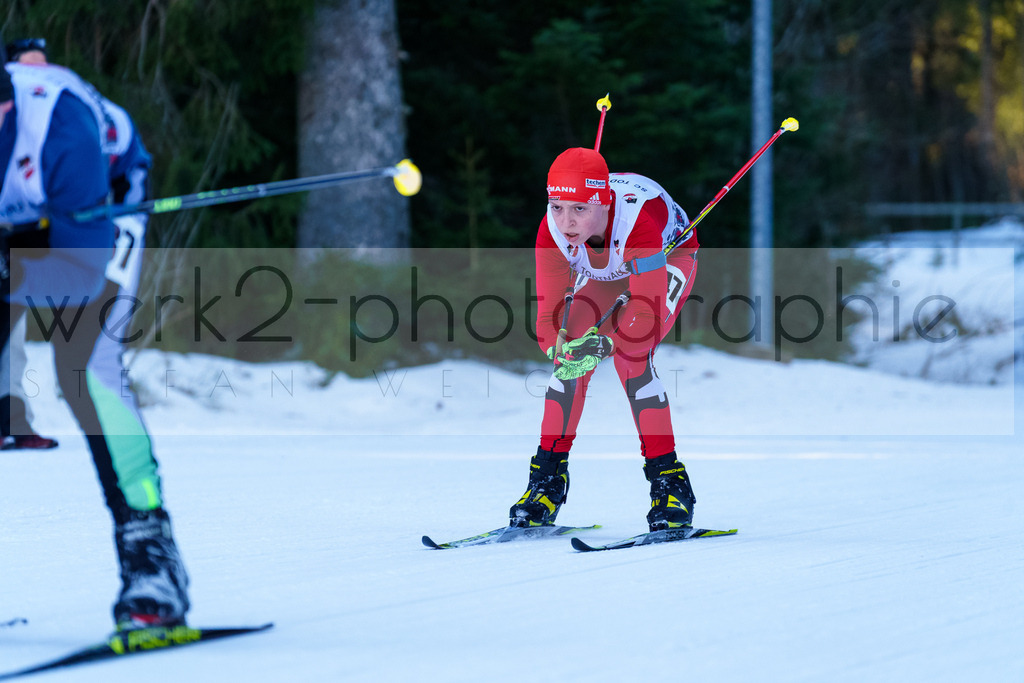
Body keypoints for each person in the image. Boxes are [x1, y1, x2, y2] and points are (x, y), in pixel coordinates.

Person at [1, 40, 189, 631]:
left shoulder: (62, 130)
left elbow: (78, 276)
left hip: (99, 206)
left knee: (85, 368)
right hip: (20, 211)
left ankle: (150, 555)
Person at [510, 147, 700, 532]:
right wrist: (559, 345)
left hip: (669, 255)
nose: (566, 222)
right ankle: (547, 482)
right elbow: (548, 319)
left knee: (632, 359)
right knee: (568, 362)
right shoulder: (552, 230)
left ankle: (670, 483)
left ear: (603, 202)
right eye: (557, 206)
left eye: (579, 209)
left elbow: (644, 317)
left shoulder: (637, 225)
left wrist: (606, 344)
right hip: (608, 270)